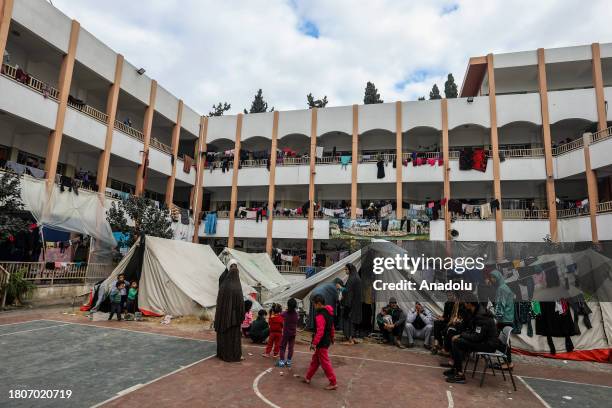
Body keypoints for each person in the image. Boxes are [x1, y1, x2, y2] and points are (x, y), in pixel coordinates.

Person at [445, 300, 499, 384]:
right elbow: (472, 331)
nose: (464, 304)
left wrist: (461, 335)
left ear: (470, 304)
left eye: (465, 302)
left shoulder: (481, 316)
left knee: (457, 342)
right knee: (457, 340)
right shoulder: (475, 311)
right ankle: (456, 369)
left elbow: (477, 337)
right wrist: (461, 334)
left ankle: (460, 375)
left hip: (488, 345)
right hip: (483, 340)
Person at [303, 294, 337, 390]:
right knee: (315, 361)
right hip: (326, 340)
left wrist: (314, 343)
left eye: (314, 304)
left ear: (318, 304)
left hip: (321, 342)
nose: (314, 306)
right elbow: (332, 327)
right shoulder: (329, 312)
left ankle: (333, 382)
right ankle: (308, 377)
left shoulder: (320, 315)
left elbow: (320, 331)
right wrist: (332, 337)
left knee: (325, 363)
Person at [214, 259, 245, 362]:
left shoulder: (224, 284)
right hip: (233, 317)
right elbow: (241, 302)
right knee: (233, 337)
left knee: (226, 336)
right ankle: (232, 355)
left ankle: (224, 354)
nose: (234, 268)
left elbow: (220, 299)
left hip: (225, 315)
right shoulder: (235, 284)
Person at [490, 270, 515, 369]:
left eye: (493, 277)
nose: (491, 280)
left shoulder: (502, 288)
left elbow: (501, 305)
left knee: (499, 342)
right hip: (506, 319)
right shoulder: (502, 287)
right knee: (502, 342)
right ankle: (508, 362)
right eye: (491, 277)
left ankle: (508, 363)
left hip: (504, 319)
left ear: (498, 278)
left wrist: (496, 318)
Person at [341, 263, 362, 344]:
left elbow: (348, 291)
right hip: (355, 303)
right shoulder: (355, 277)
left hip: (351, 303)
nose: (345, 271)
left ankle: (350, 338)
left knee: (349, 320)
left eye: (346, 269)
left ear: (350, 269)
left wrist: (340, 288)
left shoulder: (353, 278)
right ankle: (351, 337)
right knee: (352, 320)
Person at [278, 298, 299, 368]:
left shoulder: (285, 313)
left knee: (282, 346)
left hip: (286, 333)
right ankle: (289, 361)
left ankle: (281, 361)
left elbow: (280, 314)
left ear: (288, 305)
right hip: (293, 333)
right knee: (291, 347)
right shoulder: (296, 314)